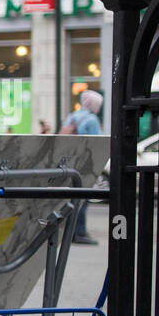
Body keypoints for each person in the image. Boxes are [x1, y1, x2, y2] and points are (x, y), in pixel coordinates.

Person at [63, 89, 104, 246]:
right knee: (83, 198)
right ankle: (80, 232)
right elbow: (97, 145)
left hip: (71, 164)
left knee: (73, 197)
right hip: (85, 165)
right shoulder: (92, 120)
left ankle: (71, 232)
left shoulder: (72, 116)